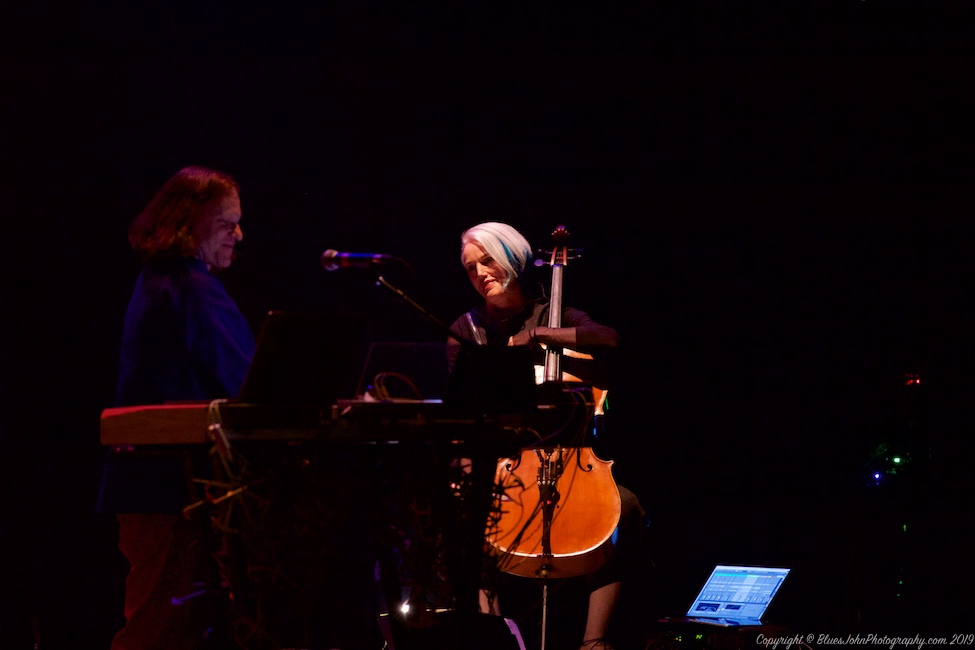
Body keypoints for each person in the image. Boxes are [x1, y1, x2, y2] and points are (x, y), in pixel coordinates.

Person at [446, 222, 646, 650]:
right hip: (507, 467)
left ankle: (595, 641)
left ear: (514, 259)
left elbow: (607, 339)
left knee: (625, 507)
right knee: (464, 511)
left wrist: (537, 336)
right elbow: (459, 409)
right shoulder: (467, 330)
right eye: (470, 268)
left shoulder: (556, 315)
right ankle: (492, 634)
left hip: (575, 461)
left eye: (488, 260)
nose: (480, 273)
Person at [102, 166, 255, 650]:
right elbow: (245, 387)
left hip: (159, 489)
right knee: (160, 631)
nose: (239, 234)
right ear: (191, 221)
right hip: (172, 492)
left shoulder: (163, 282)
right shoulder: (189, 288)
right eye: (227, 223)